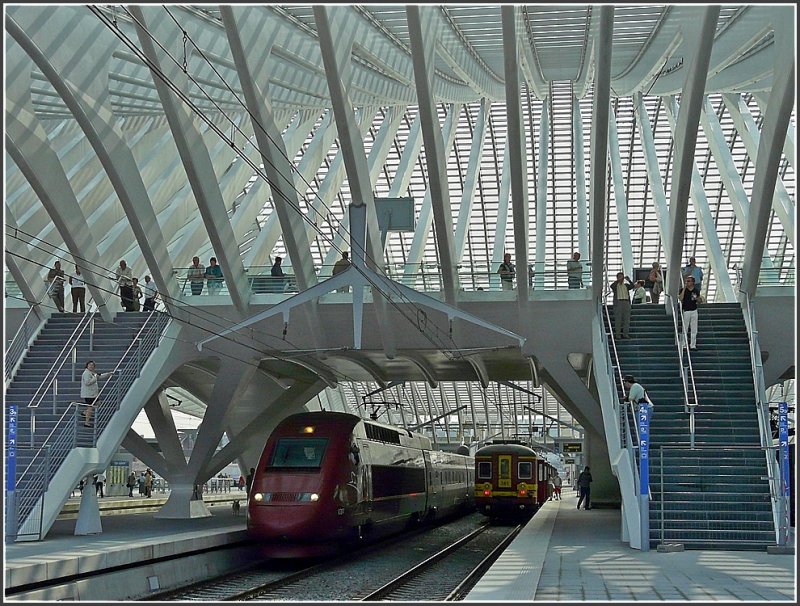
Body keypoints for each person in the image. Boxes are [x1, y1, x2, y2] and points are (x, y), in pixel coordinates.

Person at [81, 360, 113, 426]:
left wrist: (108, 374)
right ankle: (86, 422)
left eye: (92, 365)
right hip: (88, 394)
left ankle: (85, 413)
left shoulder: (92, 373)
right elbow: (87, 382)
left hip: (93, 394)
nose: (91, 366)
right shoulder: (86, 373)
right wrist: (95, 378)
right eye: (90, 365)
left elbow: (99, 376)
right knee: (90, 407)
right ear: (87, 366)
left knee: (98, 403)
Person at [679, 275, 703, 350]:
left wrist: (697, 298)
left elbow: (699, 301)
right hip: (686, 310)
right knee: (685, 328)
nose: (687, 282)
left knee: (694, 328)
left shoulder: (696, 290)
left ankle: (693, 345)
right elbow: (680, 298)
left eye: (689, 281)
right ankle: (684, 344)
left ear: (693, 282)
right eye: (687, 281)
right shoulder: (683, 290)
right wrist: (684, 289)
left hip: (694, 310)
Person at [609, 272, 635, 339]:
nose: (622, 278)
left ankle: (625, 334)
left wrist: (629, 280)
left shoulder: (626, 285)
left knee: (626, 319)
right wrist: (618, 281)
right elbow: (611, 286)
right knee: (618, 319)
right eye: (620, 277)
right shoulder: (615, 285)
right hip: (618, 303)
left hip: (626, 302)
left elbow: (632, 286)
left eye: (622, 277)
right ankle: (618, 334)